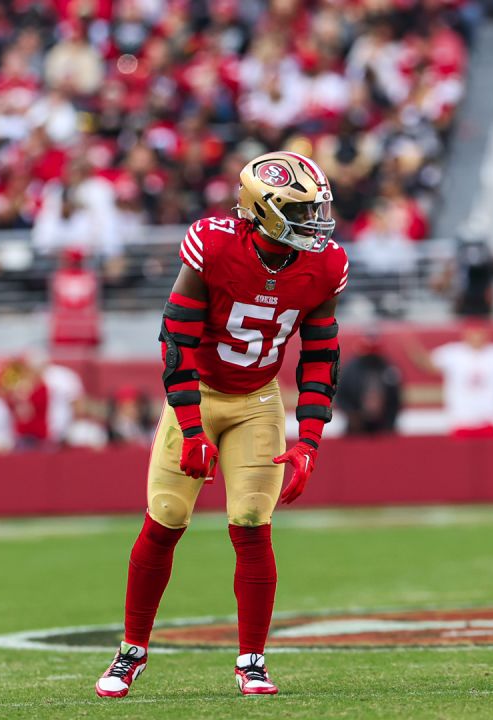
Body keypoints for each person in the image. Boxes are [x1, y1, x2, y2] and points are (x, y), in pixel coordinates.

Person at [95, 151, 347, 698]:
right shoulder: (213, 245)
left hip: (258, 398)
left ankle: (252, 661)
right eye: (303, 213)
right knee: (165, 517)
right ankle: (131, 651)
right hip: (200, 395)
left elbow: (321, 355)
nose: (316, 224)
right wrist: (189, 426)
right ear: (265, 210)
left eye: (317, 210)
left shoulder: (324, 264)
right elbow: (175, 341)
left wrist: (310, 441)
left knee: (253, 521)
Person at [335, 331, 403, 435]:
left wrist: (389, 420)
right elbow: (341, 395)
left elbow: (396, 398)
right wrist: (351, 414)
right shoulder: (350, 370)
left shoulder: (388, 369)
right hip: (356, 427)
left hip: (384, 426)